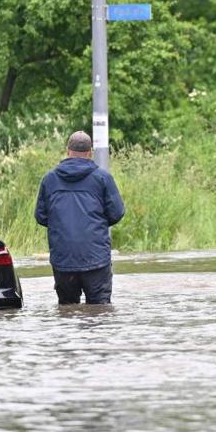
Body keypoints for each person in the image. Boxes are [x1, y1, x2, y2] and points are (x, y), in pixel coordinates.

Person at [35, 130, 125, 305]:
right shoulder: (103, 178)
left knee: (67, 311)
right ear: (90, 153)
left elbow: (40, 216)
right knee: (100, 312)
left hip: (63, 259)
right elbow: (117, 213)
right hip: (96, 258)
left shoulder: (49, 180)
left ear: (68, 151)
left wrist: (62, 225)